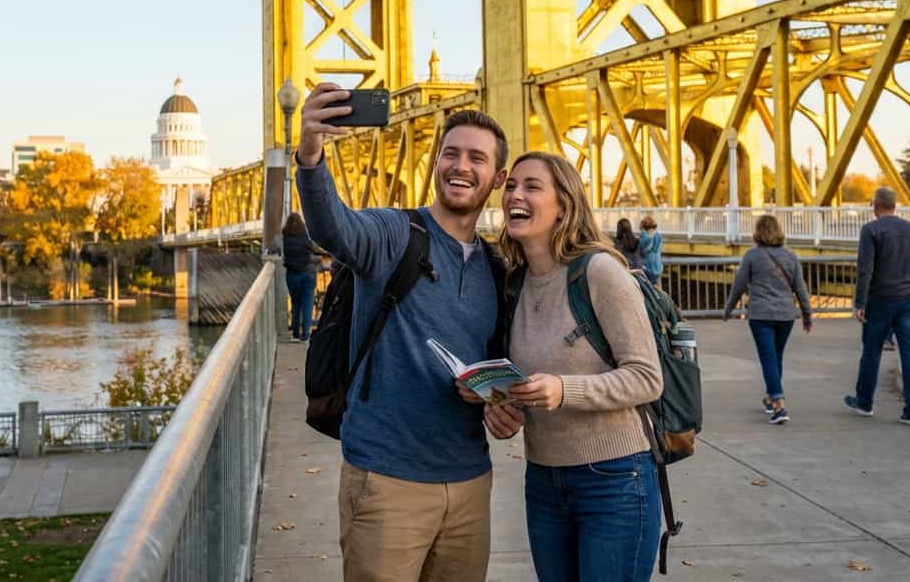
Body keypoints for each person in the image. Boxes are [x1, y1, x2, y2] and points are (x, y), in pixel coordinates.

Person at [296, 83, 511, 582]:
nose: (461, 166)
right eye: (450, 154)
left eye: (477, 159)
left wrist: (504, 406)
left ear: (498, 178)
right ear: (435, 164)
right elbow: (332, 228)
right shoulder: (394, 235)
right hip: (386, 482)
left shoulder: (497, 269)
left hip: (470, 483)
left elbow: (496, 367)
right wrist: (310, 152)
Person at [476, 150, 664, 582]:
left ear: (564, 206)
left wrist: (564, 391)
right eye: (511, 187)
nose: (514, 196)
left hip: (615, 480)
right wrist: (503, 411)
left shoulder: (600, 272)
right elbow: (526, 379)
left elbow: (647, 377)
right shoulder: (514, 284)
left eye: (532, 187)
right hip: (543, 480)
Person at [843, 187, 910, 426]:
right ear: (895, 205)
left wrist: (860, 302)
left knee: (871, 351)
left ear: (875, 206)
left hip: (880, 300)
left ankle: (864, 402)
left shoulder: (871, 230)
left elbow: (865, 269)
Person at [722, 215, 813, 425]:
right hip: (785, 316)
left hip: (761, 315)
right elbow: (800, 288)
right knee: (776, 357)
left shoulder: (752, 256)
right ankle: (771, 397)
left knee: (768, 359)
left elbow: (739, 285)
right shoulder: (791, 257)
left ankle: (779, 405)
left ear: (758, 232)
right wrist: (807, 315)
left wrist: (728, 309)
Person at [281, 212, 320, 342]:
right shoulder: (305, 236)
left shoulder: (284, 237)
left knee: (296, 304)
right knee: (308, 305)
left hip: (292, 275)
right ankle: (306, 335)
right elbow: (315, 249)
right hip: (308, 274)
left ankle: (296, 334)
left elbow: (276, 248)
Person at [638, 216, 663, 286]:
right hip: (657, 268)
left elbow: (642, 252)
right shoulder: (658, 236)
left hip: (646, 269)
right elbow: (658, 251)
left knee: (646, 292)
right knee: (659, 292)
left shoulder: (643, 237)